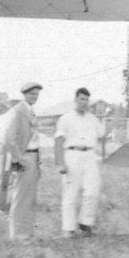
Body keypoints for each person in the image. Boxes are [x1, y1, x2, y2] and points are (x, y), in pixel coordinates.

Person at [54, 87, 106, 238]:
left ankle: (85, 224)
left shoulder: (93, 119)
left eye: (86, 99)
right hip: (72, 155)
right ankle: (68, 228)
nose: (84, 102)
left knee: (92, 191)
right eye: (81, 99)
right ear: (75, 100)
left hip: (90, 156)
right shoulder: (65, 119)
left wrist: (116, 119)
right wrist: (60, 163)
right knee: (71, 193)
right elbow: (58, 140)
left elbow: (102, 134)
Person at [3, 82, 43, 241]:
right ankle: (18, 235)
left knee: (30, 198)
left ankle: (27, 233)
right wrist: (19, 158)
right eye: (32, 94)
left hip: (33, 156)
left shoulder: (30, 110)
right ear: (24, 94)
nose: (35, 97)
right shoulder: (18, 111)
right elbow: (8, 138)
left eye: (37, 94)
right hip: (24, 157)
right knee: (21, 198)